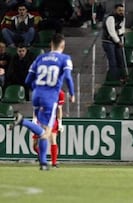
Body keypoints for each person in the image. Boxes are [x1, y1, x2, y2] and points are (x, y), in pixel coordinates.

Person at [9, 33, 75, 171]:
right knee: (47, 131)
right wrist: (72, 94)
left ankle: (43, 162)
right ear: (62, 45)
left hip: (36, 95)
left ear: (51, 45)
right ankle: (43, 162)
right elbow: (68, 77)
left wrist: (37, 89)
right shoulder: (65, 58)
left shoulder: (40, 57)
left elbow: (27, 80)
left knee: (42, 131)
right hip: (50, 97)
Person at [32, 90, 65, 168]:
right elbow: (36, 107)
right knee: (35, 145)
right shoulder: (40, 91)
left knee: (53, 140)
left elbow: (59, 108)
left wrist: (60, 122)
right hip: (40, 118)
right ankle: (42, 158)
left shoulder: (60, 93)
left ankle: (54, 163)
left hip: (52, 119)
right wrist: (34, 119)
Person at [102, 3, 126, 81]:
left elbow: (123, 30)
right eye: (119, 10)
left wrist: (118, 32)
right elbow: (111, 32)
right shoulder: (110, 18)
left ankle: (122, 77)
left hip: (116, 41)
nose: (121, 12)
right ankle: (114, 79)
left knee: (120, 59)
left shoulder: (122, 18)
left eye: (122, 10)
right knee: (113, 61)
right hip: (108, 42)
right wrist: (118, 41)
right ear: (115, 10)